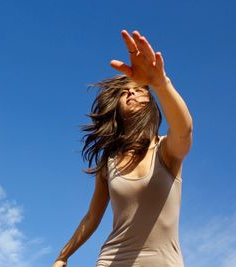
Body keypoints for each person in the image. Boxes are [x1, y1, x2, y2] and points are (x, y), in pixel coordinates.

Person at [52, 29, 193, 267]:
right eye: (125, 91)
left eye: (139, 90)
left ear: (151, 103)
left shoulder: (166, 150)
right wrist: (62, 256)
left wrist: (159, 82)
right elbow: (92, 218)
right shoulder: (108, 162)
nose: (130, 93)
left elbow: (185, 130)